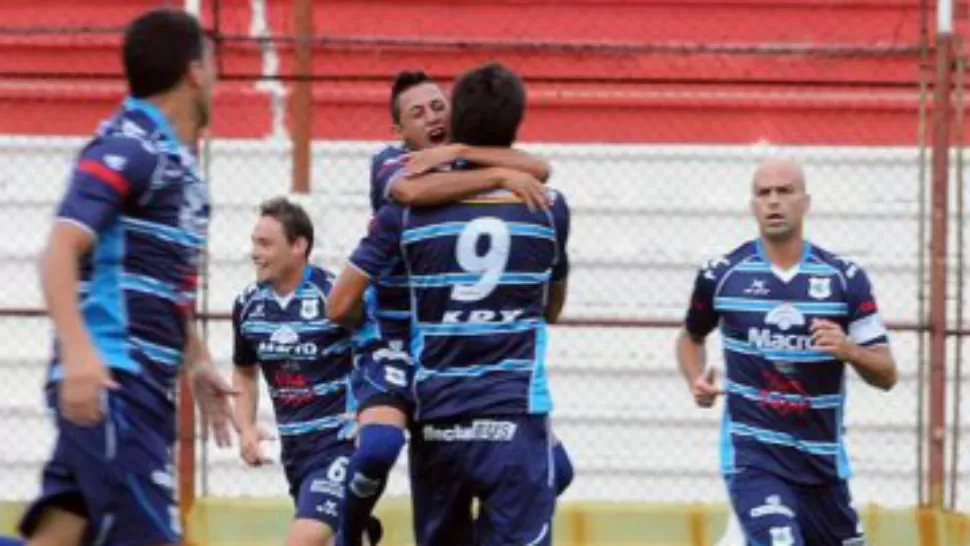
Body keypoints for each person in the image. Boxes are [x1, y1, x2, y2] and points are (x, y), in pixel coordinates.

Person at [17, 9, 236, 546]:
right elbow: (59, 251)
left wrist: (198, 359)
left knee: (62, 533)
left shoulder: (174, 163)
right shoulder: (129, 145)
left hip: (135, 388)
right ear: (195, 72)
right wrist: (80, 354)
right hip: (114, 381)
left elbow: (157, 282)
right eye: (213, 63)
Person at [330, 62, 570, 546]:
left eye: (439, 106)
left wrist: (473, 159)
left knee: (559, 470)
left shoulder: (455, 172)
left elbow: (540, 168)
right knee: (378, 445)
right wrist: (499, 172)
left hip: (437, 355)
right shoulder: (394, 167)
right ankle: (347, 533)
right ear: (399, 132)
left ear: (456, 115)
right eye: (417, 113)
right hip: (393, 338)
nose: (432, 118)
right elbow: (410, 191)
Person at [676, 157, 898, 546]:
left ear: (805, 202)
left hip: (822, 465)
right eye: (764, 193)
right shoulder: (722, 275)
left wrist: (850, 350)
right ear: (753, 205)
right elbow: (691, 337)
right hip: (754, 458)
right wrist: (695, 378)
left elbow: (887, 373)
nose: (774, 202)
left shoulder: (843, 279)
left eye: (785, 192)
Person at [231, 197, 383, 546]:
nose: (254, 252)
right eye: (254, 242)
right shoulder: (249, 305)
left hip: (340, 443)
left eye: (265, 243)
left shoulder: (334, 296)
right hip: (295, 450)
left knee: (304, 540)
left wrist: (370, 415)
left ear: (299, 246)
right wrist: (246, 428)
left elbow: (374, 352)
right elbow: (243, 372)